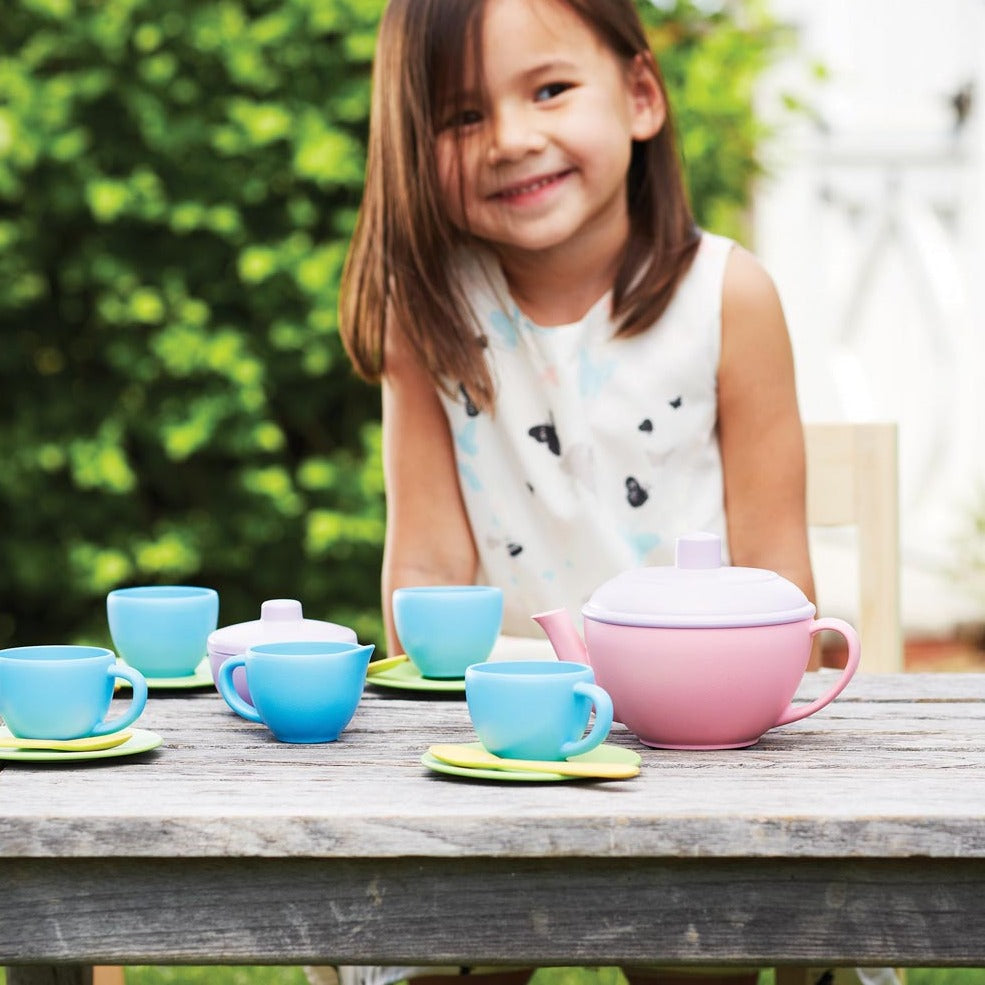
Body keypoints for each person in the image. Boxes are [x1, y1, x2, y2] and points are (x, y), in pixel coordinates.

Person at [307, 1, 817, 985]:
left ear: (638, 94)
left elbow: (780, 586)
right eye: (460, 117)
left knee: (699, 961)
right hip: (499, 748)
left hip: (692, 757)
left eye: (547, 90)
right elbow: (423, 585)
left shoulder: (730, 296)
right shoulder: (433, 316)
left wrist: (670, 683)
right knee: (451, 953)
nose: (509, 139)